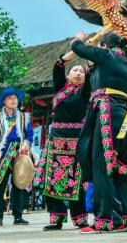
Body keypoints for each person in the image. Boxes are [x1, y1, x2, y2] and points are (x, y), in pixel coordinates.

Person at [71, 31, 127, 233]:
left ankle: (103, 220)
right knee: (122, 165)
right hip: (124, 115)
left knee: (101, 165)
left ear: (104, 45)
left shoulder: (106, 55)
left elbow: (77, 47)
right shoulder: (125, 62)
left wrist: (79, 37)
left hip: (107, 112)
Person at [38, 49, 90, 230]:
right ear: (68, 75)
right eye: (75, 70)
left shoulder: (85, 92)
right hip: (56, 141)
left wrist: (88, 51)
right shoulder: (60, 87)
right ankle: (57, 217)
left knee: (77, 181)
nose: (78, 73)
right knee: (52, 180)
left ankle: (80, 218)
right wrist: (74, 49)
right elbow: (58, 67)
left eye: (81, 72)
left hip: (77, 142)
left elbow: (91, 74)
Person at [0, 87, 34, 226]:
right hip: (2, 156)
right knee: (0, 187)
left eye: (15, 98)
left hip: (19, 155)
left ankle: (18, 217)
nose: (13, 100)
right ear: (4, 101)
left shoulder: (24, 117)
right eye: (10, 98)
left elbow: (29, 135)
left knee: (19, 186)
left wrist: (26, 143)